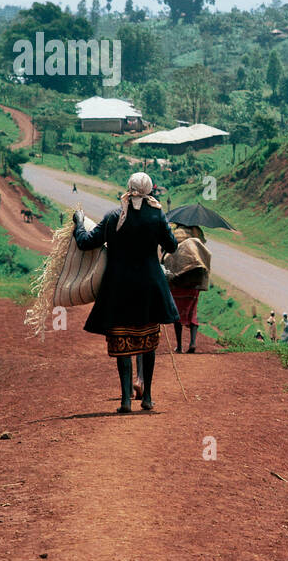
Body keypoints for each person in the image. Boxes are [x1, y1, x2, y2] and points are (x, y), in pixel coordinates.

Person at [72, 172, 179, 413]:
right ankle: (148, 397)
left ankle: (125, 400)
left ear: (128, 189)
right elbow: (172, 245)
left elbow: (86, 242)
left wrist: (78, 222)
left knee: (123, 341)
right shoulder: (157, 215)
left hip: (118, 288)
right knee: (148, 342)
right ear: (150, 190)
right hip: (150, 288)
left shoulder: (113, 216)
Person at [162, 223, 211, 354]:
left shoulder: (175, 232)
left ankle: (179, 346)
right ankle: (193, 342)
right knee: (192, 313)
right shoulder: (195, 237)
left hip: (177, 286)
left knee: (177, 315)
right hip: (193, 286)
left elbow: (165, 255)